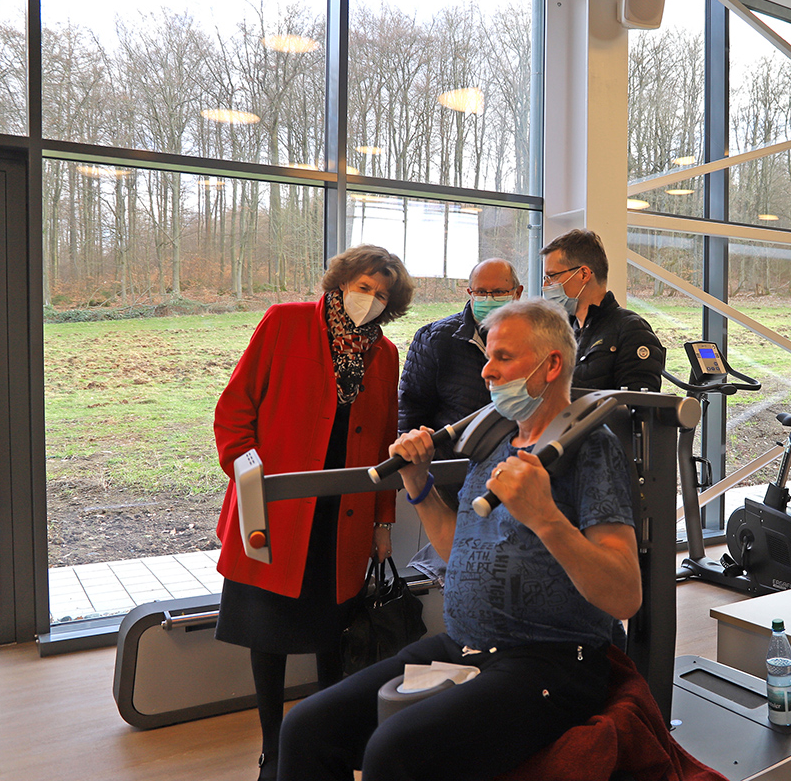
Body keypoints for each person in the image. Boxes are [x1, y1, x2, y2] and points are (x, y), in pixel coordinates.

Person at [277, 298, 641, 781]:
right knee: (305, 728)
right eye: (488, 357)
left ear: (551, 364)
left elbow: (625, 595)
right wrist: (419, 485)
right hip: (464, 645)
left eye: (503, 358)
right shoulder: (493, 443)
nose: (487, 371)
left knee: (395, 750)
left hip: (552, 661)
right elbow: (459, 551)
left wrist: (546, 518)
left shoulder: (590, 449)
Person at [212, 244, 413, 781]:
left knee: (334, 636)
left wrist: (383, 522)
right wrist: (247, 473)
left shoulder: (386, 353)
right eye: (364, 286)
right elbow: (236, 407)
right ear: (341, 281)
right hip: (276, 508)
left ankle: (330, 745)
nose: (369, 299)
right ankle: (272, 751)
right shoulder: (285, 322)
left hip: (344, 515)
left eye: (381, 294)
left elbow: (386, 445)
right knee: (267, 632)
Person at [398, 257, 523, 454]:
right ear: (470, 293)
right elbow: (411, 411)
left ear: (518, 293)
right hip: (452, 468)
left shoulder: (535, 339)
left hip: (515, 461)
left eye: (499, 292)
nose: (488, 299)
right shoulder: (434, 339)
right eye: (481, 292)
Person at [540, 228, 665, 391]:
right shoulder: (562, 331)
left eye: (552, 276)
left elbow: (640, 408)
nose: (546, 286)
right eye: (545, 278)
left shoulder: (632, 331)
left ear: (583, 274)